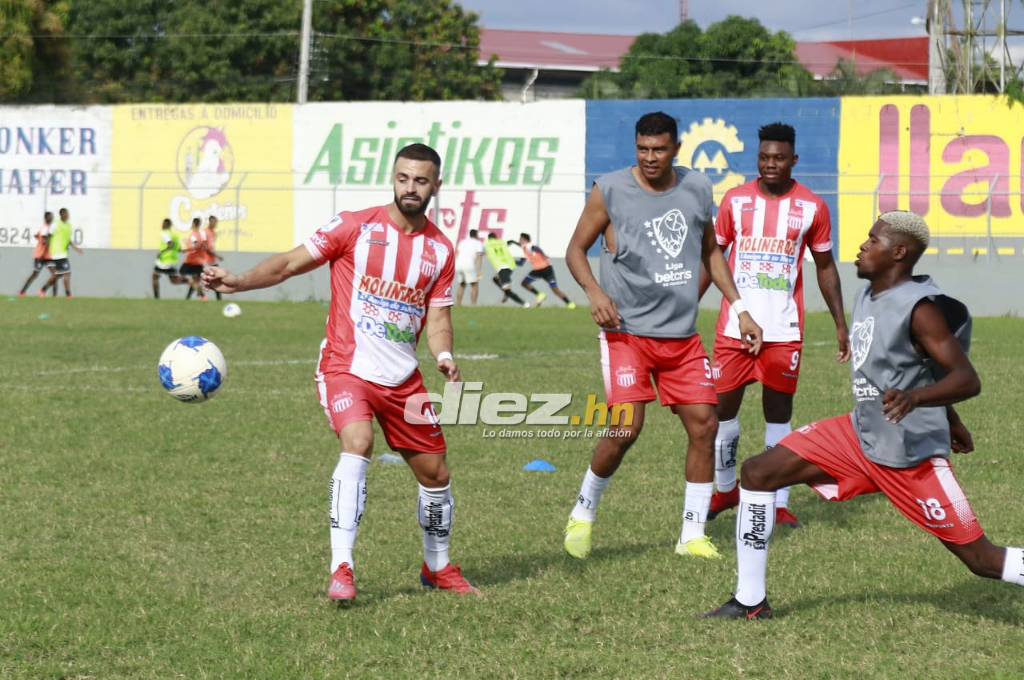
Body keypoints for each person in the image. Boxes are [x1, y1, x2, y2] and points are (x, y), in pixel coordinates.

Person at [700, 210, 1024, 619]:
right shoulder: (867, 294)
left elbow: (965, 377)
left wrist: (921, 401)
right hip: (859, 433)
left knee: (983, 561)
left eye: (874, 241)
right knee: (759, 472)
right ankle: (749, 602)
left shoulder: (921, 309)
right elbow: (920, 366)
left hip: (909, 455)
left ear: (899, 253)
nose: (863, 245)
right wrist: (951, 418)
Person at [201, 143, 481, 600]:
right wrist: (238, 281)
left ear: (436, 185)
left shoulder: (440, 250)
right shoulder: (354, 225)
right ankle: (342, 569)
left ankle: (437, 566)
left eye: (421, 181)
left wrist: (444, 355)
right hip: (345, 366)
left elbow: (438, 321)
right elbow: (290, 263)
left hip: (403, 379)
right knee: (359, 444)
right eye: (403, 178)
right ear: (393, 177)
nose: (410, 188)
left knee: (435, 474)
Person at [562, 111, 763, 561]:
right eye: (642, 149)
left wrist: (742, 308)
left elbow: (711, 250)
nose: (650, 158)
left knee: (705, 425)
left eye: (659, 149)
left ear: (675, 149)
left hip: (681, 337)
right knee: (625, 428)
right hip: (626, 333)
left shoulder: (696, 188)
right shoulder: (609, 189)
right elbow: (575, 249)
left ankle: (691, 535)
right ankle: (583, 512)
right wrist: (594, 292)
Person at [699, 122, 851, 530]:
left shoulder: (812, 207)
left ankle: (777, 500)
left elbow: (825, 268)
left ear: (793, 160)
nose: (770, 164)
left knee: (778, 416)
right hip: (734, 328)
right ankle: (726, 488)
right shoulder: (734, 201)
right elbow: (713, 259)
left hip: (783, 331)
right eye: (764, 157)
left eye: (779, 158)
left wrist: (840, 323)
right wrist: (686, 308)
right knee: (721, 415)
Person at [518, 233, 576, 308]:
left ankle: (541, 295)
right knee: (554, 289)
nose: (519, 241)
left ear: (524, 240)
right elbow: (521, 263)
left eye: (520, 239)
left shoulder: (529, 245)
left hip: (542, 269)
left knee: (525, 283)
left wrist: (543, 254)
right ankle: (569, 304)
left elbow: (535, 248)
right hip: (543, 269)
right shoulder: (525, 249)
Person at [39, 208, 82, 298]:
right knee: (67, 272)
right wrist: (44, 252)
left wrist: (76, 248)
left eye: (68, 214)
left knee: (58, 274)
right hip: (57, 252)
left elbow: (67, 239)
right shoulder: (55, 224)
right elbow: (48, 237)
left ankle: (43, 290)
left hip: (63, 252)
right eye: (66, 214)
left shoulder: (68, 225)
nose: (67, 216)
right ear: (61, 215)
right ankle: (68, 294)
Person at [484, 232, 529, 308]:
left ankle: (524, 304)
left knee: (507, 290)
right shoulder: (501, 242)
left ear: (489, 239)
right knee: (495, 279)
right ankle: (506, 290)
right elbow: (511, 241)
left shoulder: (487, 244)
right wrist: (520, 245)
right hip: (510, 264)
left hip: (503, 267)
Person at [152, 218, 189, 299]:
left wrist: (161, 253)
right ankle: (188, 281)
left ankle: (156, 298)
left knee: (154, 277)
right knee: (173, 280)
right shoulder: (175, 235)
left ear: (166, 225)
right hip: (173, 261)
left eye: (163, 224)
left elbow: (170, 244)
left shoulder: (164, 233)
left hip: (164, 260)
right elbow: (179, 249)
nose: (162, 225)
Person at [18, 211, 53, 297]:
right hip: (40, 255)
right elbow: (45, 241)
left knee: (55, 274)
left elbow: (36, 235)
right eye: (51, 217)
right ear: (47, 218)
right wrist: (42, 248)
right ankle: (22, 291)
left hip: (47, 256)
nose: (52, 218)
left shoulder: (48, 227)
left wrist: (40, 239)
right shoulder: (45, 228)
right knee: (35, 274)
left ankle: (53, 295)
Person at [454, 228, 484, 306]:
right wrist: (479, 271)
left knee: (462, 285)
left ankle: (458, 304)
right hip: (469, 264)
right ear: (477, 235)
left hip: (458, 264)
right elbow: (479, 257)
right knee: (474, 285)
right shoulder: (478, 243)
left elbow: (457, 253)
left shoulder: (463, 242)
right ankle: (473, 305)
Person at [181, 217, 207, 300]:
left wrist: (186, 249)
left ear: (193, 224)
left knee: (180, 273)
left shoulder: (193, 235)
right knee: (196, 281)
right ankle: (200, 297)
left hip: (191, 261)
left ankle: (200, 294)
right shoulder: (200, 235)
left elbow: (197, 245)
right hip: (199, 261)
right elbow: (203, 246)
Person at [201, 215, 224, 300]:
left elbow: (211, 247)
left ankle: (219, 300)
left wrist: (214, 256)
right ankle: (188, 298)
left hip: (212, 261)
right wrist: (216, 256)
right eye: (214, 222)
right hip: (205, 261)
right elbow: (204, 247)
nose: (215, 224)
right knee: (198, 280)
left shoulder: (214, 233)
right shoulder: (204, 232)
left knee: (217, 279)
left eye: (216, 222)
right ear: (210, 222)